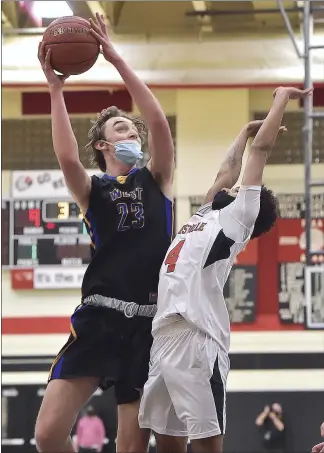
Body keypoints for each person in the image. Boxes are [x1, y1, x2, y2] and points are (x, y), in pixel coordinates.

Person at [138, 86, 312, 453]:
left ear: (246, 201)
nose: (230, 187)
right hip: (163, 336)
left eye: (239, 188)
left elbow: (260, 153)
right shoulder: (207, 213)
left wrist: (280, 99)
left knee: (206, 445)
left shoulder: (239, 218)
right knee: (167, 443)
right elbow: (225, 171)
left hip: (196, 338)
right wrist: (245, 132)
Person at [35, 13, 174, 453]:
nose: (133, 133)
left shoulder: (156, 178)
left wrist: (116, 59)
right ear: (102, 145)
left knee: (131, 448)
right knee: (47, 434)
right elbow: (66, 156)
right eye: (121, 130)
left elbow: (158, 123)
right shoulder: (91, 190)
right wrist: (56, 90)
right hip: (99, 317)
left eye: (134, 130)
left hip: (148, 324)